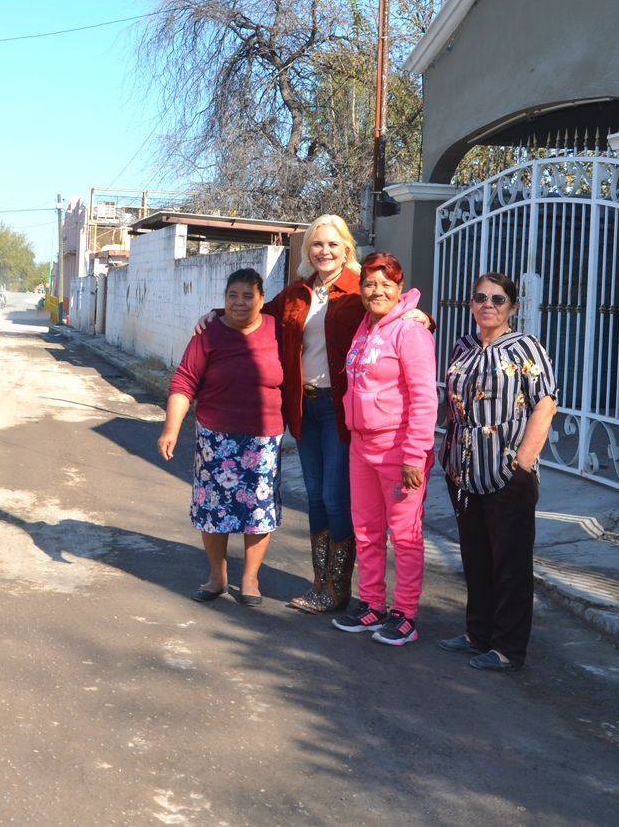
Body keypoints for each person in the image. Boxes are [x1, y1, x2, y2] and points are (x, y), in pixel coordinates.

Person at [193, 215, 429, 615]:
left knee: (336, 499)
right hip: (305, 407)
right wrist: (218, 313)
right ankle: (323, 584)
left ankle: (339, 588)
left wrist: (421, 315)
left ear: (347, 249)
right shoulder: (298, 293)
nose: (325, 251)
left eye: (333, 245)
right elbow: (259, 314)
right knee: (317, 497)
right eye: (317, 244)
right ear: (308, 250)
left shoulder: (361, 288)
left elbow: (391, 313)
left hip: (342, 411)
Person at [438, 272, 558, 672]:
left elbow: (545, 405)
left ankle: (507, 647)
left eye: (498, 299)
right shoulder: (463, 345)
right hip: (464, 471)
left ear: (512, 307)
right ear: (471, 304)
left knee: (509, 563)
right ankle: (478, 633)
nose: (488, 304)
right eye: (480, 298)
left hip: (507, 473)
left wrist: (523, 462)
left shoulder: (526, 347)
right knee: (475, 557)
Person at [159, 268, 284, 607]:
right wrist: (171, 429)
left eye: (248, 296)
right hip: (217, 438)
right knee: (214, 509)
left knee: (258, 511)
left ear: (262, 299)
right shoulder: (208, 334)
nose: (239, 302)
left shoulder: (278, 329)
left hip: (264, 439)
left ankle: (250, 579)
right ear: (223, 298)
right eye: (232, 296)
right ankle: (217, 576)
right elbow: (184, 382)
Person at [331, 252, 437, 647]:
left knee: (405, 535)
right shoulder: (364, 326)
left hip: (398, 449)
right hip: (362, 446)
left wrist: (415, 453)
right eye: (370, 284)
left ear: (399, 287)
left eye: (385, 284)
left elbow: (425, 397)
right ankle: (372, 603)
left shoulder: (410, 332)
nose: (376, 291)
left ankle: (405, 614)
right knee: (367, 531)